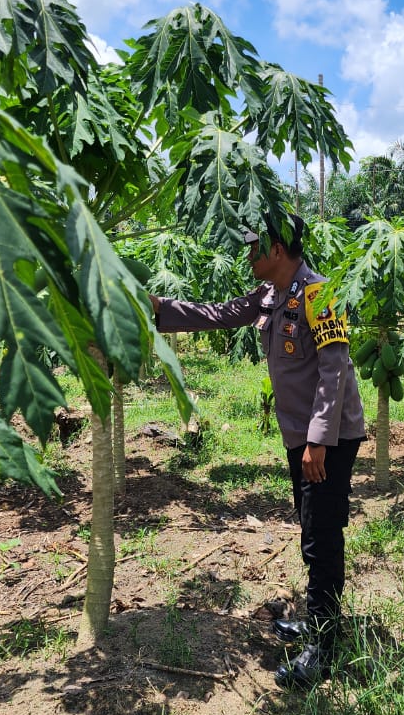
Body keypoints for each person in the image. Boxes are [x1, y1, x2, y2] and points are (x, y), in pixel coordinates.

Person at [149, 214, 366, 689]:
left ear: (279, 251)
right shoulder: (270, 295)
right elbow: (218, 314)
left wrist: (318, 441)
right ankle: (318, 621)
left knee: (321, 536)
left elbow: (335, 371)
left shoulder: (321, 293)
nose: (248, 255)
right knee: (311, 528)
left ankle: (325, 648)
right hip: (301, 437)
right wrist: (159, 309)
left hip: (327, 438)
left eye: (255, 247)